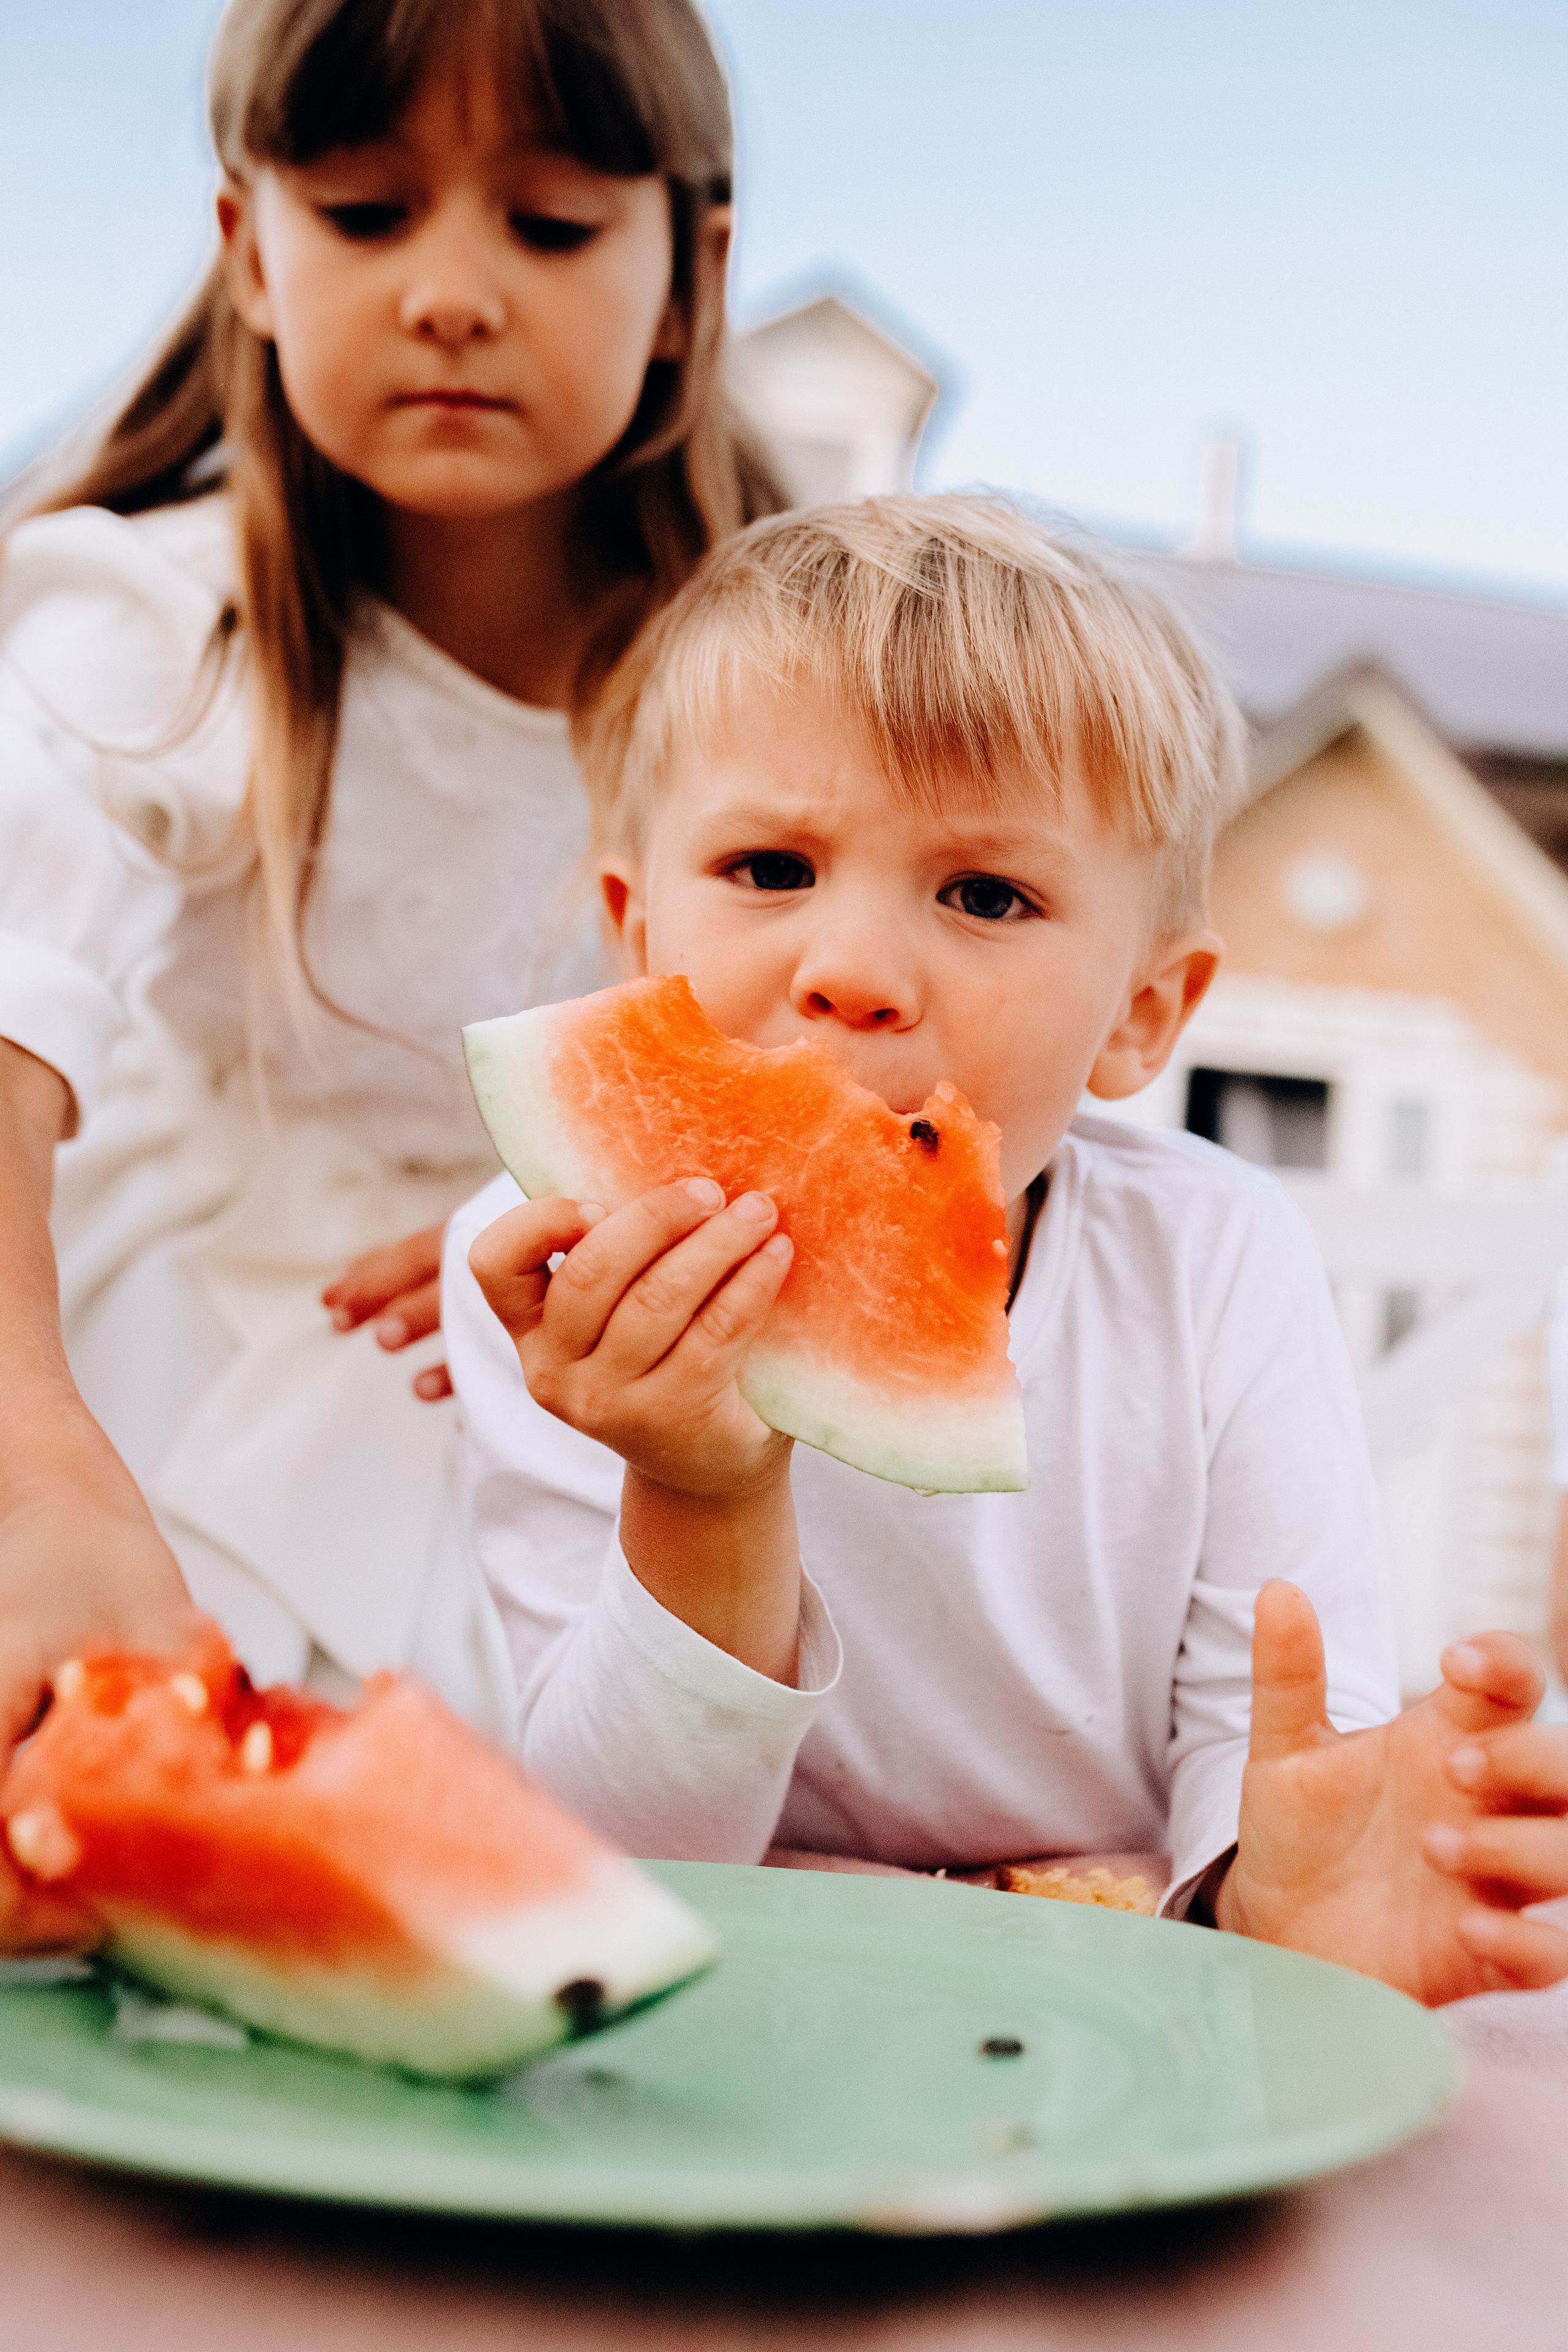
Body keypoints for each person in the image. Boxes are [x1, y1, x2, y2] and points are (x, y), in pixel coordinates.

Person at [448, 497, 1568, 2002]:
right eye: (771, 868)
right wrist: (695, 1493)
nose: (848, 971)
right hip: (734, 2004)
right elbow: (621, 1860)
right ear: (633, 933)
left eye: (984, 894)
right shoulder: (553, 1276)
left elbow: (1277, 1746)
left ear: (1142, 1014)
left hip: (1112, 2000)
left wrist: (1263, 1896)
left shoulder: (1217, 1262)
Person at [0, 0, 788, 1940]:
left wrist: (573, 1202)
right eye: (364, 213)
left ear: (690, 276)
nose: (449, 294)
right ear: (249, 254)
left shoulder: (783, 691)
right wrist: (41, 1479)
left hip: (611, 1394)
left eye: (546, 224)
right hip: (152, 1386)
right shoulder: (157, 629)